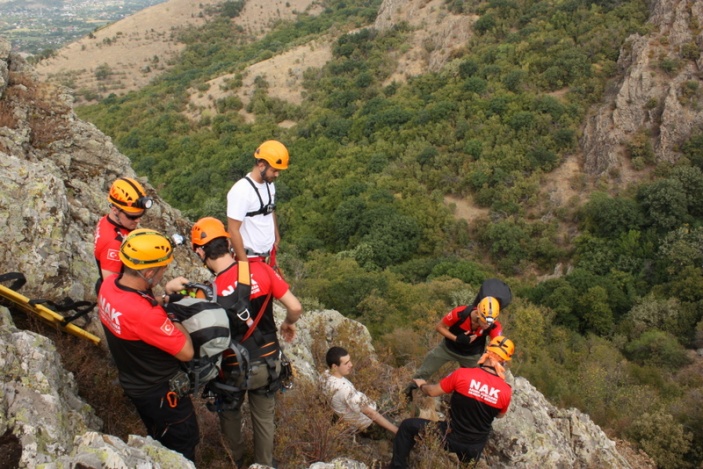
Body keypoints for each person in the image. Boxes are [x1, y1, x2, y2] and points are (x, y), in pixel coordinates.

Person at [191, 216, 302, 467]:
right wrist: (288, 323)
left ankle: (237, 461)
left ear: (201, 252)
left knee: (229, 414)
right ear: (227, 244)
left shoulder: (208, 293)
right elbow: (295, 307)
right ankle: (264, 463)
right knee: (264, 417)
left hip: (233, 372)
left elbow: (205, 341)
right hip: (268, 364)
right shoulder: (261, 270)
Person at [98, 228, 198, 461]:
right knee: (183, 443)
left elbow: (135, 304)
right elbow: (186, 351)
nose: (164, 273)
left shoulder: (109, 285)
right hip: (162, 394)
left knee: (158, 434)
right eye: (163, 269)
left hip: (136, 384)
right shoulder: (145, 314)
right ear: (149, 271)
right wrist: (171, 315)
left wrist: (164, 297)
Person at [390, 336, 515, 468]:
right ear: (504, 362)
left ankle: (397, 466)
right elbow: (499, 415)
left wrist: (422, 385)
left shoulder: (462, 374)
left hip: (449, 436)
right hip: (474, 447)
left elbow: (432, 392)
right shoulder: (506, 390)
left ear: (486, 354)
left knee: (407, 426)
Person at [226, 140, 289, 264]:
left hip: (268, 254)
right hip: (250, 258)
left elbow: (270, 210)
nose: (277, 175)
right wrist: (244, 266)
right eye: (274, 170)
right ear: (261, 166)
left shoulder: (269, 185)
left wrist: (276, 236)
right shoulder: (241, 191)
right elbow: (233, 230)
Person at [413, 296, 503, 381]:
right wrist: (456, 338)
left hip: (471, 356)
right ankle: (408, 390)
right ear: (478, 313)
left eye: (490, 323)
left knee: (474, 381)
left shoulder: (493, 326)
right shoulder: (460, 313)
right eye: (484, 322)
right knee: (424, 372)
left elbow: (497, 345)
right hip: (447, 348)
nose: (487, 325)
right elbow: (440, 327)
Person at [93, 177, 153, 292]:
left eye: (141, 215)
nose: (138, 220)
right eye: (132, 217)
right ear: (115, 209)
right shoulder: (114, 244)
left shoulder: (106, 221)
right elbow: (113, 289)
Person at [322, 346, 398, 436]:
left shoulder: (325, 375)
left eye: (349, 360)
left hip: (363, 410)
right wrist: (396, 430)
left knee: (395, 397)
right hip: (369, 424)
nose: (351, 365)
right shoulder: (344, 390)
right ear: (334, 366)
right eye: (346, 363)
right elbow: (371, 413)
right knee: (406, 427)